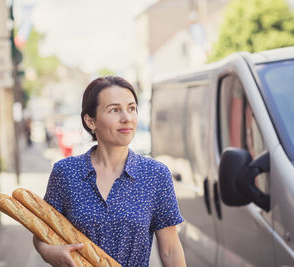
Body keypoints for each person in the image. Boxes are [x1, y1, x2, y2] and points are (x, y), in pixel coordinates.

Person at [33, 76, 187, 267]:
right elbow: (41, 233)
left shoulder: (155, 175)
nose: (127, 118)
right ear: (90, 121)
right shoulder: (65, 172)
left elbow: (170, 249)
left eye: (131, 108)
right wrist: (50, 253)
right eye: (114, 110)